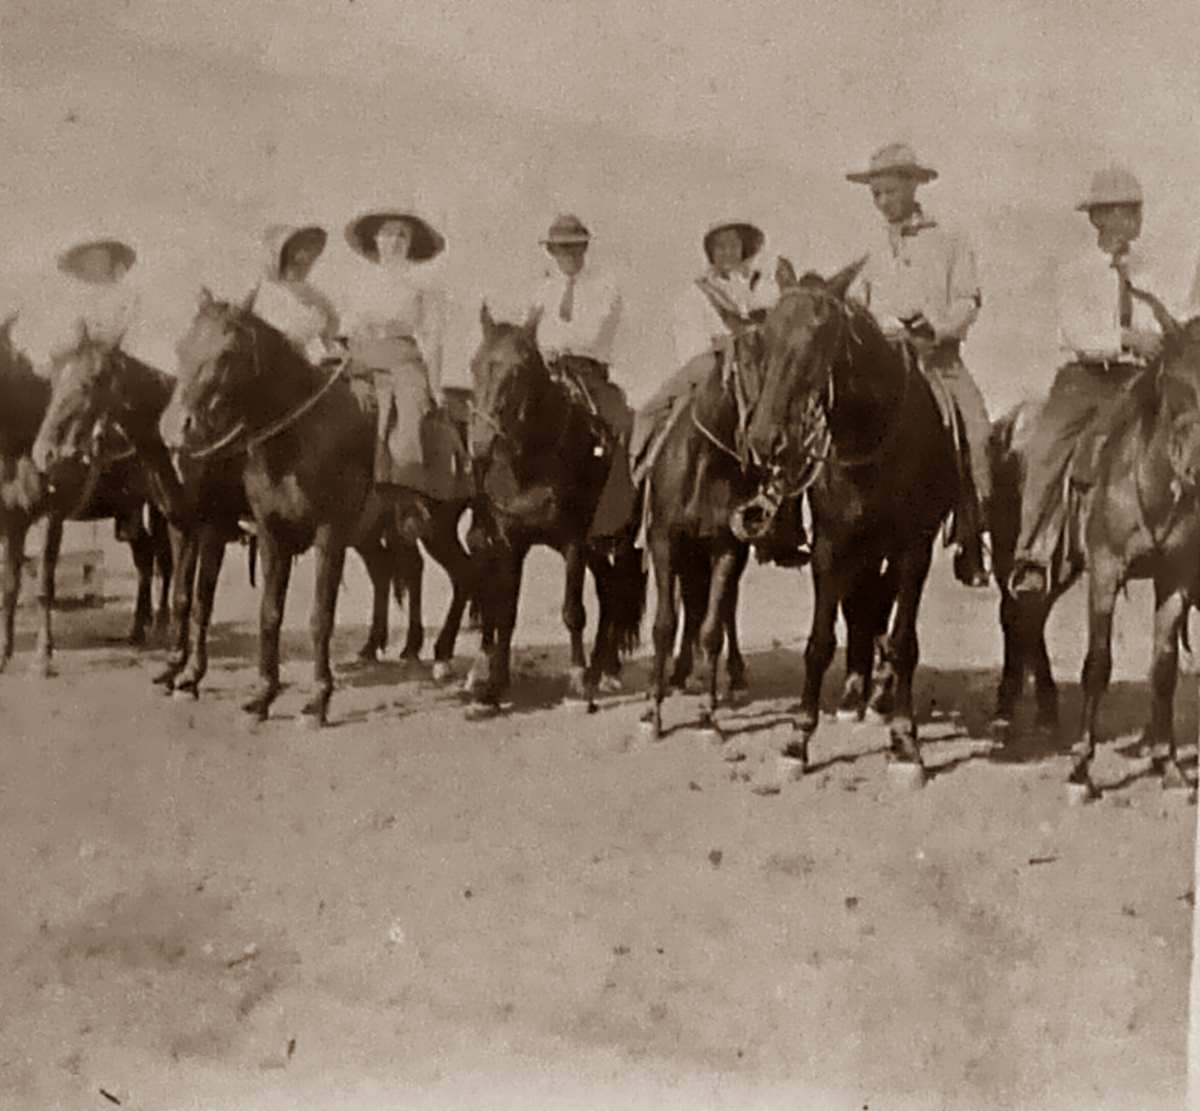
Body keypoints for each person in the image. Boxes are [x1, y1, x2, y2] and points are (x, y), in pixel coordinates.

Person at [1008, 165, 1165, 595]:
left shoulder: (1148, 271)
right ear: (1098, 218)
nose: (1135, 218)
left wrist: (1161, 338)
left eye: (1136, 209)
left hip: (1136, 377)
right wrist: (1127, 339)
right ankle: (1033, 552)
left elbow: (1159, 322)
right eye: (1124, 210)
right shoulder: (1075, 272)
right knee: (1045, 448)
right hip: (1085, 379)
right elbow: (1078, 335)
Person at [846, 141, 991, 587]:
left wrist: (940, 327)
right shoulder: (869, 246)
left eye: (890, 191)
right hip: (881, 361)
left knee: (977, 432)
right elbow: (856, 303)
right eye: (876, 194)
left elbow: (968, 298)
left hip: (935, 360)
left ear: (913, 187)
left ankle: (971, 532)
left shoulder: (949, 239)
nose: (882, 201)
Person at [343, 207, 464, 499]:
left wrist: (434, 385)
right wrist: (353, 371)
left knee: (409, 421)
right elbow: (348, 331)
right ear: (375, 239)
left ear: (411, 243)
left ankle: (406, 495)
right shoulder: (359, 282)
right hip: (360, 360)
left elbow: (432, 338)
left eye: (402, 235)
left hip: (403, 362)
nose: (394, 241)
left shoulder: (422, 285)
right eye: (387, 233)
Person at [526, 213, 634, 539]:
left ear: (585, 249)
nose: (569, 255)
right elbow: (528, 334)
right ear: (552, 252)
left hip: (588, 371)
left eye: (575, 248)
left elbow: (593, 334)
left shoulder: (604, 287)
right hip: (548, 370)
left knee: (620, 426)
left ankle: (617, 514)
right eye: (562, 249)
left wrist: (555, 342)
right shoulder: (543, 289)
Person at [253, 224, 340, 364]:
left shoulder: (315, 294)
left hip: (317, 361)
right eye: (298, 247)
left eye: (308, 248)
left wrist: (328, 347)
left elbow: (332, 325)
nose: (307, 254)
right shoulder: (268, 291)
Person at [51, 237, 141, 365]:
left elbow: (126, 334)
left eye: (99, 259)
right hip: (82, 356)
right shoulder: (76, 297)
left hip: (117, 357)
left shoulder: (125, 295)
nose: (94, 264)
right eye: (89, 260)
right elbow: (66, 337)